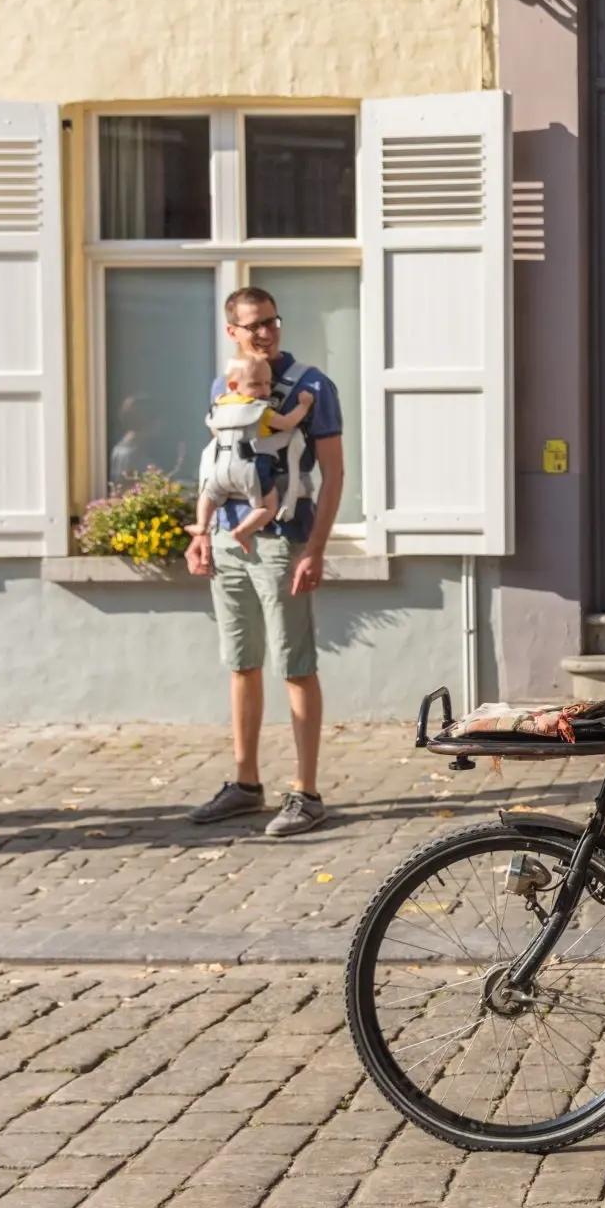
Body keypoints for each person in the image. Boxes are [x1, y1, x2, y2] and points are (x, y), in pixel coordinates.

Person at [185, 288, 346, 837]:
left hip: (284, 541)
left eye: (272, 322)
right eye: (253, 325)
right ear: (232, 331)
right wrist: (200, 532)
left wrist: (317, 548)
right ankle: (246, 784)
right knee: (241, 661)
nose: (265, 332)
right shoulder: (224, 382)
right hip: (230, 537)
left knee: (295, 664)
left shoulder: (312, 386)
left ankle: (306, 793)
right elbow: (217, 462)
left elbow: (333, 474)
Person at [197, 351, 319, 546]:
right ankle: (243, 531)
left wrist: (221, 400)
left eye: (267, 384)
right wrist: (304, 406)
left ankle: (201, 526)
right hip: (251, 469)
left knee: (207, 496)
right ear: (233, 386)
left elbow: (214, 431)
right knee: (269, 507)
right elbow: (287, 423)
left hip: (220, 471)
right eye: (256, 384)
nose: (264, 390)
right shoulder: (259, 409)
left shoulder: (220, 404)